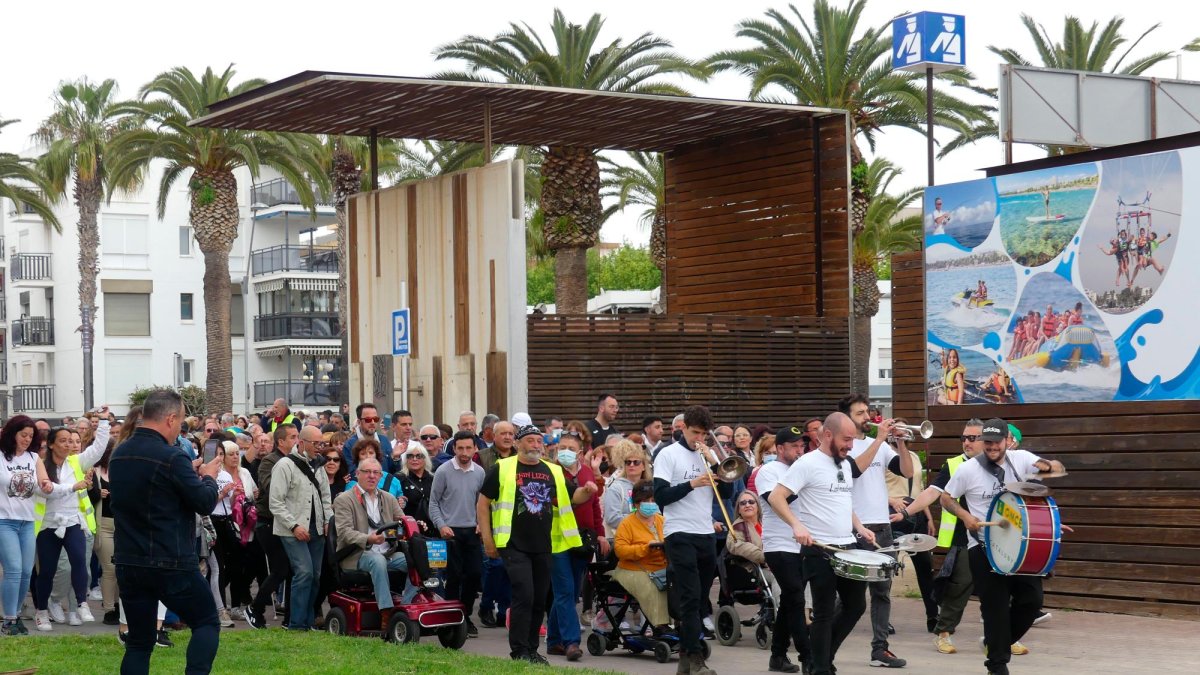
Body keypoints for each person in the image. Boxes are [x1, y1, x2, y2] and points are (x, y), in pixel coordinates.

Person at [940, 418, 1067, 675]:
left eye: (997, 442)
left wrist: (1049, 467)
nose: (992, 447)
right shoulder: (968, 470)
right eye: (987, 442)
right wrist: (965, 517)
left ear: (1007, 441)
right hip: (983, 548)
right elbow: (946, 497)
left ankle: (996, 643)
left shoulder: (1021, 459)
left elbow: (1056, 469)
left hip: (1019, 544)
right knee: (994, 608)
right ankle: (997, 666)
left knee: (1032, 601)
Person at [109, 390, 221, 674]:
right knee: (207, 621)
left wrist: (188, 473)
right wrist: (207, 477)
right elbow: (204, 501)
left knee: (139, 641)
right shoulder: (172, 457)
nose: (180, 429)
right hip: (170, 560)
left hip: (129, 559)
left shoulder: (119, 454)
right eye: (181, 421)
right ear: (170, 419)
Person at [768, 412, 877, 675]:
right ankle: (820, 668)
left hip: (847, 546)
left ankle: (823, 658)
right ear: (828, 435)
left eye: (852, 440)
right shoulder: (808, 463)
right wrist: (796, 525)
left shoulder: (843, 463)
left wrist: (859, 527)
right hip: (819, 549)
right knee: (824, 613)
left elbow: (842, 502)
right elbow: (776, 496)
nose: (850, 445)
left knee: (856, 605)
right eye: (846, 439)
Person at [478, 425, 583, 664]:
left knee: (538, 599)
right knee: (524, 594)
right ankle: (519, 651)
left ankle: (532, 649)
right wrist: (487, 538)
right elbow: (483, 503)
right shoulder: (502, 468)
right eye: (530, 440)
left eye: (539, 441)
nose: (536, 444)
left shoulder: (553, 470)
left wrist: (587, 490)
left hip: (544, 545)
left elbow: (572, 497)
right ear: (518, 444)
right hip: (513, 543)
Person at [653, 404, 727, 675]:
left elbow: (728, 490)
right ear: (683, 427)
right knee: (690, 596)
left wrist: (716, 461)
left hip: (705, 533)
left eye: (704, 434)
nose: (699, 439)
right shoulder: (668, 454)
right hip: (679, 532)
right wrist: (693, 484)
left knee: (700, 599)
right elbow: (660, 496)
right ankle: (693, 657)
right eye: (695, 433)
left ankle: (687, 656)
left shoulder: (707, 454)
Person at [840, 393, 911, 669]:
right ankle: (823, 639)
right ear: (847, 418)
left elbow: (905, 471)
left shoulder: (879, 445)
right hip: (856, 529)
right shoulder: (843, 448)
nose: (867, 417)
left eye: (867, 411)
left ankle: (880, 649)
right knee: (852, 596)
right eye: (859, 413)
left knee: (882, 592)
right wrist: (881, 439)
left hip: (882, 527)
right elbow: (855, 471)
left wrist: (901, 444)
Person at [33, 412, 111, 630]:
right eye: (63, 441)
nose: (68, 445)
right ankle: (41, 611)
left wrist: (103, 422)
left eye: (71, 440)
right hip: (48, 525)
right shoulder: (40, 464)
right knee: (47, 571)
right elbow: (47, 490)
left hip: (73, 521)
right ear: (51, 444)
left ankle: (81, 603)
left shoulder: (76, 461)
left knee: (79, 561)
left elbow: (98, 449)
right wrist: (73, 487)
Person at [333, 457, 416, 629]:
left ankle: (405, 607)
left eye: (376, 473)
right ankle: (386, 611)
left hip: (388, 552)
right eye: (367, 472)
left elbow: (402, 522)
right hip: (356, 554)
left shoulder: (389, 498)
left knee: (416, 560)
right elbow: (344, 533)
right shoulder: (344, 499)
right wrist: (368, 539)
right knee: (377, 560)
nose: (372, 476)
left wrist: (413, 524)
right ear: (357, 474)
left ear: (380, 476)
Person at [755, 425, 812, 673]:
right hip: (779, 543)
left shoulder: (802, 470)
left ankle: (777, 655)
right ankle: (807, 655)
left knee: (790, 599)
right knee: (796, 598)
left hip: (803, 542)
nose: (800, 451)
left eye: (802, 446)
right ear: (780, 448)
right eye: (794, 446)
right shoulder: (768, 471)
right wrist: (804, 478)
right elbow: (776, 500)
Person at [269, 422, 334, 631]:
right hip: (292, 529)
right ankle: (296, 624)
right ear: (302, 442)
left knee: (315, 575)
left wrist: (327, 521)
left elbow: (325, 496)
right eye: (316, 443)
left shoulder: (320, 465)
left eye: (322, 443)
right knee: (304, 573)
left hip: (316, 528)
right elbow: (275, 502)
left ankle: (307, 621)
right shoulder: (285, 465)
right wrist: (294, 525)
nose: (319, 447)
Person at [429, 430, 486, 638]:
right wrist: (441, 525)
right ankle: (453, 618)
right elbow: (433, 503)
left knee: (474, 574)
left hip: (472, 530)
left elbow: (483, 503)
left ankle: (465, 613)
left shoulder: (479, 472)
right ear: (453, 448)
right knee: (453, 577)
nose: (464, 452)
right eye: (460, 448)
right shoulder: (444, 471)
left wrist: (481, 523)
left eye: (468, 448)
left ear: (475, 448)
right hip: (450, 531)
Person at [884, 423, 938, 635]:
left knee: (925, 568)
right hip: (892, 513)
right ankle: (883, 619)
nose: (902, 433)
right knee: (888, 569)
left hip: (916, 516)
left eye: (904, 430)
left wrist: (928, 517)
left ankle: (933, 616)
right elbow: (871, 486)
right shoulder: (884, 455)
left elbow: (921, 489)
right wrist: (890, 499)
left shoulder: (913, 457)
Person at [246, 425, 298, 629]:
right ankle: (255, 608)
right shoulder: (269, 461)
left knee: (294, 570)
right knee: (280, 569)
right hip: (269, 522)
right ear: (281, 441)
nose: (296, 440)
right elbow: (271, 488)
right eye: (292, 437)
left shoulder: (298, 461)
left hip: (289, 522)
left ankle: (290, 618)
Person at [610, 480, 672, 633]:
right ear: (636, 503)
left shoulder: (663, 520)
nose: (650, 504)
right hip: (632, 569)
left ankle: (680, 622)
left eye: (653, 500)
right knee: (651, 587)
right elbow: (620, 550)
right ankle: (660, 625)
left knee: (680, 583)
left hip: (661, 567)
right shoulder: (627, 523)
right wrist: (645, 548)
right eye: (645, 500)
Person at [0, 416, 40, 636]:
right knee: (13, 570)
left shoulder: (34, 458)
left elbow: (45, 485)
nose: (27, 439)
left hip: (27, 521)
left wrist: (70, 487)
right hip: (4, 520)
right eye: (23, 435)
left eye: (31, 436)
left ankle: (15, 615)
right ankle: (8, 620)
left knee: (26, 572)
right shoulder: (0, 458)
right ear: (12, 433)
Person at [603, 439, 652, 535]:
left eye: (636, 462)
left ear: (643, 466)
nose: (631, 465)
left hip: (648, 536)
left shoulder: (650, 487)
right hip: (624, 538)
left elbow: (657, 514)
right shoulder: (615, 487)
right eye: (628, 462)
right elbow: (612, 518)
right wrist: (640, 519)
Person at [341, 403, 393, 474]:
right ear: (359, 422)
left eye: (375, 419)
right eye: (368, 420)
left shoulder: (384, 440)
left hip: (384, 484)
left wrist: (396, 458)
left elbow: (393, 470)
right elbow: (351, 472)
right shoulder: (349, 444)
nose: (372, 422)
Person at [398, 445, 434, 531]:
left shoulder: (434, 479)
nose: (414, 459)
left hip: (431, 526)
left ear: (425, 459)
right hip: (409, 527)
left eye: (419, 456)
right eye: (410, 456)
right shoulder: (399, 478)